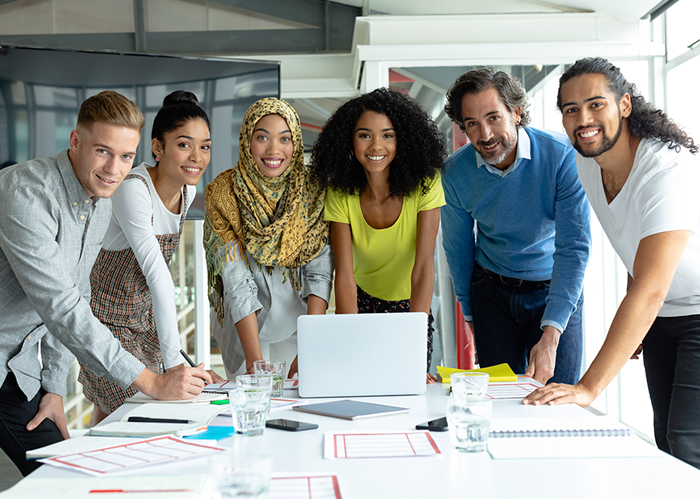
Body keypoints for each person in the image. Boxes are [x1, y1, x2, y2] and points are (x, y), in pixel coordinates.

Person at [0, 91, 212, 476]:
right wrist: (153, 381)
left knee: (67, 474)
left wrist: (52, 388)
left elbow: (79, 292)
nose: (115, 168)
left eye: (126, 157)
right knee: (61, 478)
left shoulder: (98, 199)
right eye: (102, 151)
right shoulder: (27, 193)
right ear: (76, 141)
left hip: (19, 366)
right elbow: (61, 306)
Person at [524, 57, 700, 469]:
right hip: (664, 316)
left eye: (595, 104)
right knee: (668, 443)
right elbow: (637, 242)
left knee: (688, 442)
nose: (583, 118)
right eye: (571, 109)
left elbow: (651, 288)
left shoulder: (665, 170)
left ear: (624, 105)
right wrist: (637, 318)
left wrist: (586, 388)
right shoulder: (589, 161)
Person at [78, 91, 222, 425]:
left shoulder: (187, 192)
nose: (197, 157)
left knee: (122, 416)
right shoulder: (133, 190)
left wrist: (179, 364)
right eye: (184, 145)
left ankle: (98, 469)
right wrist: (173, 366)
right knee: (145, 412)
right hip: (105, 323)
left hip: (143, 323)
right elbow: (158, 277)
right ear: (158, 147)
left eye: (205, 146)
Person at [442, 68, 591, 385]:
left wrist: (551, 334)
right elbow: (458, 250)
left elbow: (573, 248)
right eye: (472, 123)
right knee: (501, 401)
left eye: (493, 117)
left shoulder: (562, 157)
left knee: (558, 397)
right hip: (492, 294)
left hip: (554, 287)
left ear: (517, 112)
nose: (485, 134)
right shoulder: (455, 173)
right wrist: (472, 317)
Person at [311, 88, 446, 382]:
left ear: (403, 139)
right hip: (360, 303)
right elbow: (344, 275)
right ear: (349, 139)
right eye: (364, 135)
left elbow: (424, 269)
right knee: (359, 380)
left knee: (409, 385)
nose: (376, 146)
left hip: (412, 308)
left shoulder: (426, 184)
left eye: (388, 135)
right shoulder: (340, 191)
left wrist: (413, 341)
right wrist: (351, 339)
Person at [204, 97, 333, 380]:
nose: (274, 149)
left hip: (299, 323)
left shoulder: (313, 190)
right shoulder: (223, 194)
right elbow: (235, 282)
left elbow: (319, 273)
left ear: (295, 143)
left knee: (297, 406)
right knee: (252, 401)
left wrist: (310, 346)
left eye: (284, 139)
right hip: (244, 331)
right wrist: (255, 364)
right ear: (247, 141)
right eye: (262, 137)